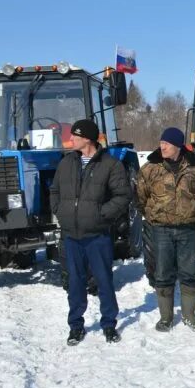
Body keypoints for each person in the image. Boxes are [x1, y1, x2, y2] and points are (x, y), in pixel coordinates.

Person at [50, 119, 131, 345]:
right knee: (74, 282)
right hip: (71, 236)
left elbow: (123, 197)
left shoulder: (111, 164)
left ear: (87, 138)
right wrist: (60, 211)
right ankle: (76, 326)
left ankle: (109, 325)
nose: (71, 139)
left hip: (98, 236)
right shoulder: (66, 163)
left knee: (104, 281)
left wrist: (100, 215)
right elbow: (54, 191)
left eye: (75, 135)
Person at [137, 127, 195, 332]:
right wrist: (153, 215)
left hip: (188, 229)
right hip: (161, 230)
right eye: (161, 143)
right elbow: (140, 196)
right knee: (163, 273)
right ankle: (165, 318)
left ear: (178, 145)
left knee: (189, 272)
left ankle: (189, 315)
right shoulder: (151, 168)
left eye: (166, 143)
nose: (162, 146)